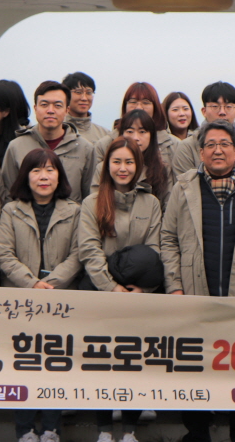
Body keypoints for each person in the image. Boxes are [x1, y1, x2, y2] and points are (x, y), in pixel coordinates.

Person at [161, 119, 235, 442]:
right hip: (197, 292)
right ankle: (197, 433)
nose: (217, 150)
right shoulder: (184, 185)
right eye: (210, 145)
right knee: (198, 368)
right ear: (200, 152)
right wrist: (174, 285)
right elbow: (168, 239)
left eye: (224, 144)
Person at [77, 137, 162, 442]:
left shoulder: (151, 203)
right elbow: (89, 250)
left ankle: (128, 430)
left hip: (138, 294)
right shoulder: (92, 202)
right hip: (101, 292)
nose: (123, 168)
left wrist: (142, 290)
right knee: (102, 360)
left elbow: (154, 249)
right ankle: (103, 429)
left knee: (134, 359)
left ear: (138, 166)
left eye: (129, 162)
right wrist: (111, 288)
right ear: (106, 165)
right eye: (117, 162)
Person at [0, 149, 81, 442]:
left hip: (60, 299)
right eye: (36, 170)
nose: (43, 176)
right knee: (22, 362)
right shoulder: (10, 210)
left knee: (54, 363)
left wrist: (52, 283)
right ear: (25, 176)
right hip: (21, 299)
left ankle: (51, 428)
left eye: (50, 170)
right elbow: (4, 255)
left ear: (60, 175)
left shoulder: (74, 210)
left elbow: (77, 254)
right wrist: (32, 284)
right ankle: (23, 430)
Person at [1, 81, 96, 205]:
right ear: (35, 108)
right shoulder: (16, 146)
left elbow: (90, 197)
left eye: (57, 105)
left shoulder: (85, 148)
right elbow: (8, 195)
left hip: (71, 221)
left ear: (67, 110)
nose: (50, 111)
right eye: (44, 105)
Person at [170, 82, 235, 177]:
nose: (222, 112)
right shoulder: (187, 148)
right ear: (204, 111)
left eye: (228, 107)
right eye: (215, 106)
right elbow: (184, 186)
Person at [93, 110, 172, 207]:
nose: (135, 137)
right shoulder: (103, 168)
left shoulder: (162, 169)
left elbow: (167, 207)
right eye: (130, 131)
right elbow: (94, 203)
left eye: (142, 132)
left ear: (152, 136)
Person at [93, 82, 179, 171]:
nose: (139, 107)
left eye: (146, 103)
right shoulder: (104, 145)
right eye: (133, 102)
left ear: (155, 107)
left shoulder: (173, 145)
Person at [63, 71, 110, 144]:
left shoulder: (105, 135)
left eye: (89, 93)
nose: (84, 98)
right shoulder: (57, 130)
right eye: (78, 92)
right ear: (66, 95)